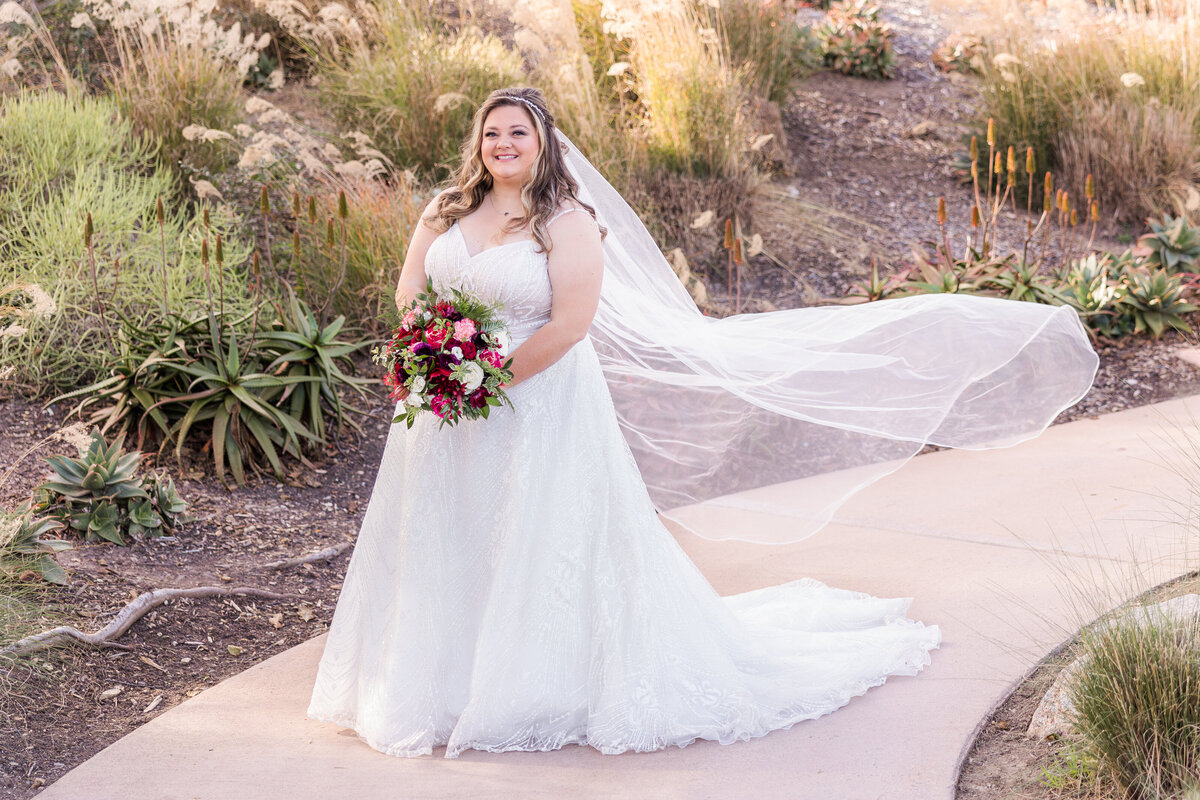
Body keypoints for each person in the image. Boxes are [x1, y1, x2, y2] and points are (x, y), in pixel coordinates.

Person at [305, 87, 1097, 758]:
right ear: (477, 146)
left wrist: (484, 378)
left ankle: (529, 684)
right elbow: (411, 291)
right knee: (446, 532)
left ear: (544, 145)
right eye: (492, 133)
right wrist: (431, 358)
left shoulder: (566, 221)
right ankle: (434, 681)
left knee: (535, 534)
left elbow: (570, 324)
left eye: (519, 132)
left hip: (533, 400)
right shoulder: (447, 210)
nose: (503, 143)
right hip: (441, 403)